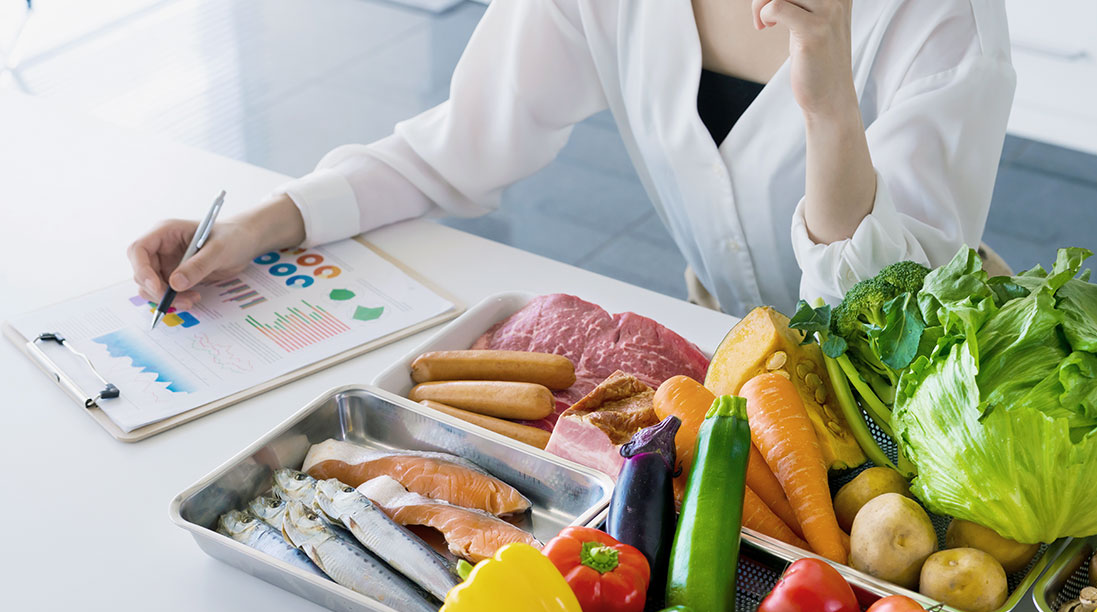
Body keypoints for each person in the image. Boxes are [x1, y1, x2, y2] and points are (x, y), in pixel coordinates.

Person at [128, 0, 1015, 316]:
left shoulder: (943, 21)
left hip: (905, 407)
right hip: (732, 369)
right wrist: (263, 221)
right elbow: (457, 148)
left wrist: (829, 112)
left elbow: (894, 319)